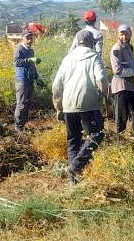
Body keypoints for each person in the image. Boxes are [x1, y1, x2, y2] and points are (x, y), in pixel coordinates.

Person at [52, 30, 107, 185]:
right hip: (89, 104)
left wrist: (58, 107)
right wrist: (105, 97)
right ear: (92, 43)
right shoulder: (94, 57)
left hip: (68, 104)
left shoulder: (67, 58)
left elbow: (56, 85)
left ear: (76, 42)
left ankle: (73, 181)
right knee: (97, 134)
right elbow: (102, 79)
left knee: (73, 140)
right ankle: (76, 166)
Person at [110, 24, 134, 137]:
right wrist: (133, 72)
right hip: (120, 86)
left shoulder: (129, 47)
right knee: (122, 116)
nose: (124, 37)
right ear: (118, 35)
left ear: (130, 34)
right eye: (121, 34)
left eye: (126, 34)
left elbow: (131, 62)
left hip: (130, 85)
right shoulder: (116, 49)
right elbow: (117, 70)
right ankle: (120, 140)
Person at [14, 31, 44, 132]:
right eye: (27, 38)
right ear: (22, 38)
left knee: (27, 103)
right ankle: (18, 127)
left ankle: (23, 125)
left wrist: (37, 77)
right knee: (21, 103)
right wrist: (29, 60)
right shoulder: (19, 49)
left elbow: (32, 66)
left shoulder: (31, 50)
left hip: (30, 79)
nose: (30, 40)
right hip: (22, 80)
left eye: (31, 38)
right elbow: (17, 62)